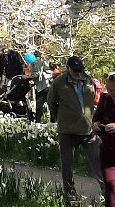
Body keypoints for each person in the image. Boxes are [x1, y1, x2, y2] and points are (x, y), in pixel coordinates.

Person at [47, 56, 105, 205]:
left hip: (87, 130)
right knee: (67, 166)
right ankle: (70, 197)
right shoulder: (59, 83)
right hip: (67, 131)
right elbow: (51, 101)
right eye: (75, 71)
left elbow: (94, 98)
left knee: (98, 162)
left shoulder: (88, 81)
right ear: (68, 69)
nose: (78, 74)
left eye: (80, 70)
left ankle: (108, 192)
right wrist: (59, 118)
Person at [93, 73, 115, 207]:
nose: (109, 92)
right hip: (108, 151)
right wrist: (96, 123)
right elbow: (97, 117)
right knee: (111, 186)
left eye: (112, 89)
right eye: (108, 88)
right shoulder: (105, 98)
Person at [30, 49, 52, 123]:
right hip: (47, 85)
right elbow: (49, 71)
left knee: (39, 104)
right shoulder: (43, 62)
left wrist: (30, 77)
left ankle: (38, 121)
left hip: (40, 87)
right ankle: (52, 120)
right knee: (50, 104)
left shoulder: (34, 63)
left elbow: (36, 74)